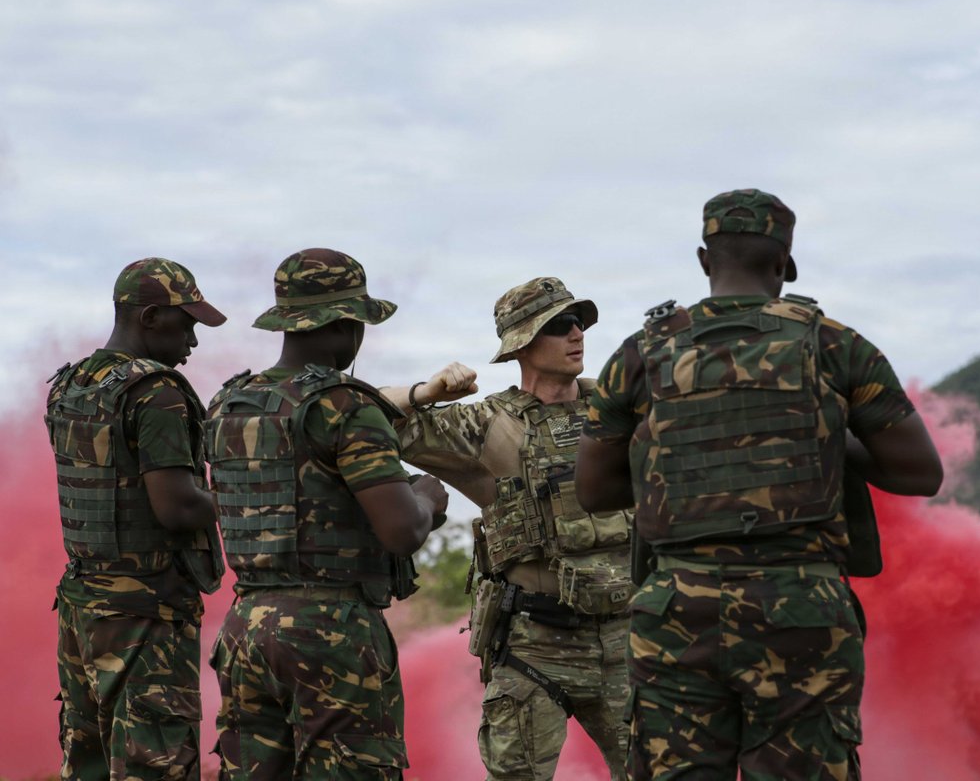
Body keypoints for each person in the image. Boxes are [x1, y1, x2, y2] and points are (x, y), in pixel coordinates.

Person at [576, 189, 945, 781]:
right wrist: (824, 440)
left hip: (677, 613)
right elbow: (920, 472)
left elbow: (594, 491)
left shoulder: (639, 356)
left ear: (704, 260)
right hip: (800, 612)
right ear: (782, 264)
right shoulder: (836, 346)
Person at [206, 248, 448, 779]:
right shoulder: (347, 406)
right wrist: (428, 498)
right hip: (331, 635)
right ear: (344, 324)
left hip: (246, 627)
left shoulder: (228, 404)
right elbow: (402, 530)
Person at [384, 277, 635, 781]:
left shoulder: (617, 410)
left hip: (627, 642)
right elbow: (357, 416)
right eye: (560, 324)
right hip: (534, 648)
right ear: (522, 342)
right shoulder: (485, 423)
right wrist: (425, 392)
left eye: (580, 322)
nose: (577, 333)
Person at [45, 257, 227, 780]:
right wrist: (252, 496)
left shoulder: (71, 383)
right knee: (155, 765)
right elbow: (178, 507)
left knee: (89, 765)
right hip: (145, 614)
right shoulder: (156, 392)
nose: (193, 340)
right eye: (186, 324)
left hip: (82, 605)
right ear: (149, 317)